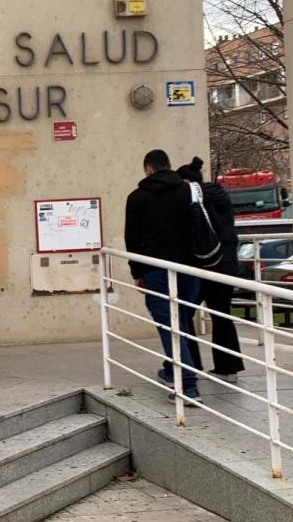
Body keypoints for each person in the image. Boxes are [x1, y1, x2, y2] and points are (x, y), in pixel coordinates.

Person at [125, 149, 202, 404]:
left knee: (170, 326)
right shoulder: (188, 191)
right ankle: (172, 370)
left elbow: (132, 239)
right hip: (190, 269)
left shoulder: (137, 198)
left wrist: (137, 273)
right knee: (182, 321)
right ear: (168, 166)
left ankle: (187, 386)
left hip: (156, 270)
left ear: (148, 169)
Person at [177, 156, 245, 382]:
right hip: (226, 264)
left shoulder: (192, 199)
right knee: (221, 314)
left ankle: (191, 364)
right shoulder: (220, 195)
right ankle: (228, 368)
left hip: (200, 265)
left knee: (184, 314)